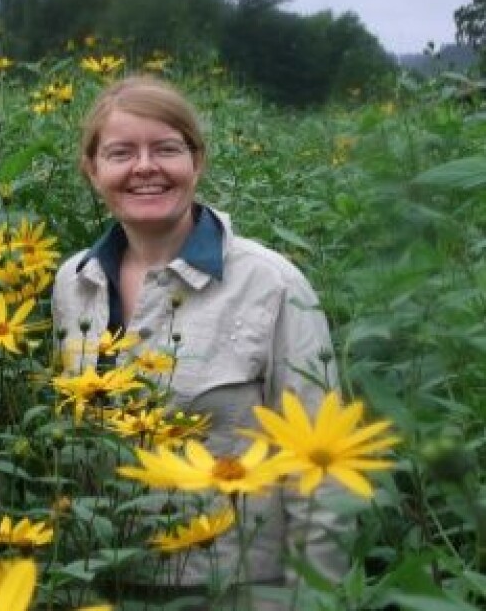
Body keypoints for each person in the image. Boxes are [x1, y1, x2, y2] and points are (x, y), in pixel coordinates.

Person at [51, 75, 348, 609]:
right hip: (108, 575)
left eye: (166, 148)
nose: (145, 167)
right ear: (92, 170)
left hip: (233, 585)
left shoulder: (271, 284)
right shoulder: (74, 282)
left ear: (198, 161)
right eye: (122, 152)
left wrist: (315, 596)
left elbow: (319, 465)